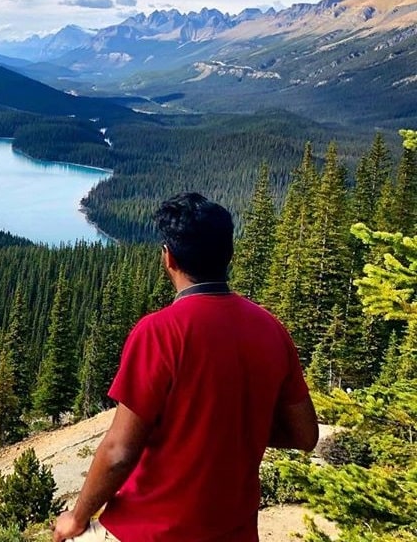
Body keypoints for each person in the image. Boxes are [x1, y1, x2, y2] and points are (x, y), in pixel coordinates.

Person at [52, 192, 318, 542]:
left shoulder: (159, 332)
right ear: (229, 255)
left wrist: (77, 516)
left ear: (168, 258)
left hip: (147, 531)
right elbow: (306, 436)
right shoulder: (271, 329)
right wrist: (232, 426)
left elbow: (119, 452)